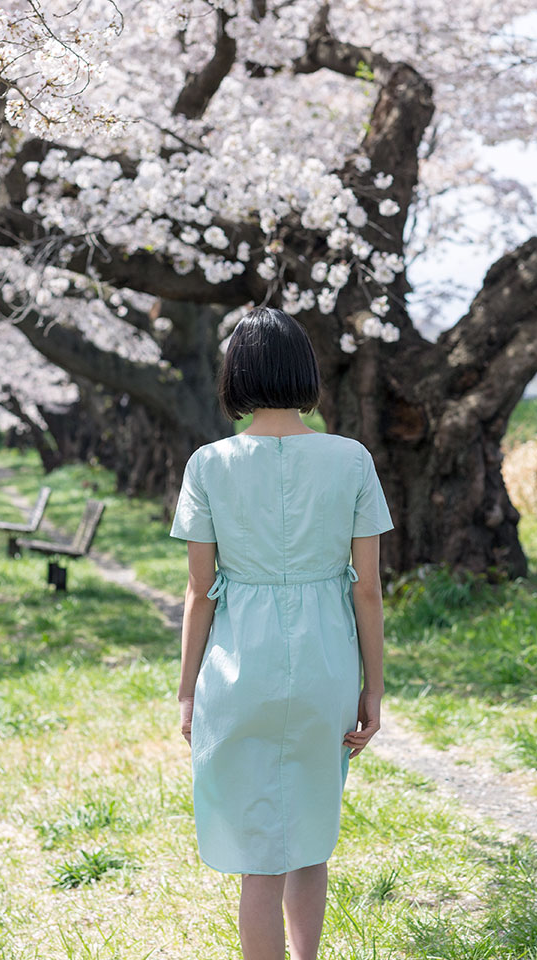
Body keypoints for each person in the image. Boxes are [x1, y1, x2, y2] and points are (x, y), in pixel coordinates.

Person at [169, 305, 394, 960]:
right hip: (326, 661)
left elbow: (197, 592)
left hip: (239, 666)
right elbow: (368, 589)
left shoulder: (209, 465)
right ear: (305, 371)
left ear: (233, 375)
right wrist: (373, 689)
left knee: (257, 853)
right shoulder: (351, 459)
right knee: (310, 832)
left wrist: (186, 693)